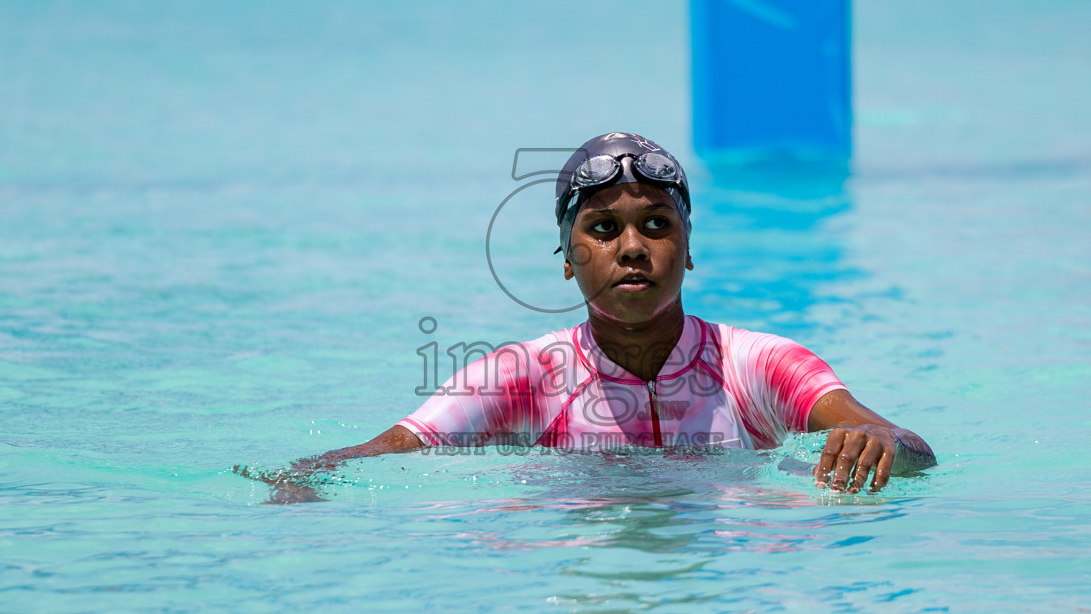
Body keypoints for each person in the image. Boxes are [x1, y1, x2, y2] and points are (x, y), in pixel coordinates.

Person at [275, 133, 934, 494]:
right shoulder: (522, 376)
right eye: (601, 229)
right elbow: (380, 455)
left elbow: (913, 449)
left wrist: (881, 444)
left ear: (688, 250)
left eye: (655, 224)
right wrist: (300, 480)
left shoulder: (759, 364)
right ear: (567, 259)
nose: (630, 248)